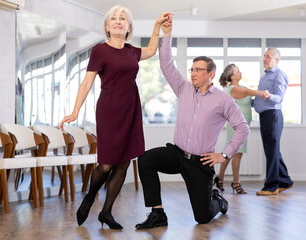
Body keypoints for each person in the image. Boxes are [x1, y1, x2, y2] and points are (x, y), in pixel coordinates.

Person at [59, 5, 173, 229]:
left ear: (128, 26)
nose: (118, 21)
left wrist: (157, 26)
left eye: (123, 19)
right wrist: (75, 111)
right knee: (106, 163)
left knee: (124, 162)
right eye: (114, 19)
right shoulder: (100, 51)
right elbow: (87, 82)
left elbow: (151, 49)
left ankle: (107, 212)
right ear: (108, 27)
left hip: (131, 109)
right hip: (110, 110)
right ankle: (90, 197)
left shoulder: (132, 51)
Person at [135, 20, 250, 229]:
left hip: (200, 162)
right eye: (192, 69)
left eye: (198, 70)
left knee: (202, 217)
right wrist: (167, 34)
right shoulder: (183, 88)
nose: (193, 73)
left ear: (211, 74)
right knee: (145, 160)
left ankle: (219, 200)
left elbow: (243, 127)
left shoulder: (224, 100)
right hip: (177, 153)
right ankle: (157, 212)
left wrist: (224, 155)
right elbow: (166, 65)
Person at [215, 64, 267, 194]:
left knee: (229, 152)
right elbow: (246, 93)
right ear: (232, 76)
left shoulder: (241, 87)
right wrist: (259, 92)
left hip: (243, 125)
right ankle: (236, 182)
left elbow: (249, 96)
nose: (240, 72)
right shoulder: (233, 89)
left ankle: (219, 177)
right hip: (236, 126)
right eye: (237, 71)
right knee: (237, 153)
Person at [253, 47, 294, 196]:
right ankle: (285, 181)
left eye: (268, 56)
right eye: (264, 56)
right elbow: (260, 98)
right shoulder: (264, 76)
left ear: (276, 60)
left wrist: (268, 95)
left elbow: (279, 97)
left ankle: (271, 186)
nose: (265, 59)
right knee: (272, 150)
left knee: (271, 151)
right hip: (265, 116)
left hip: (273, 116)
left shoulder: (279, 75)